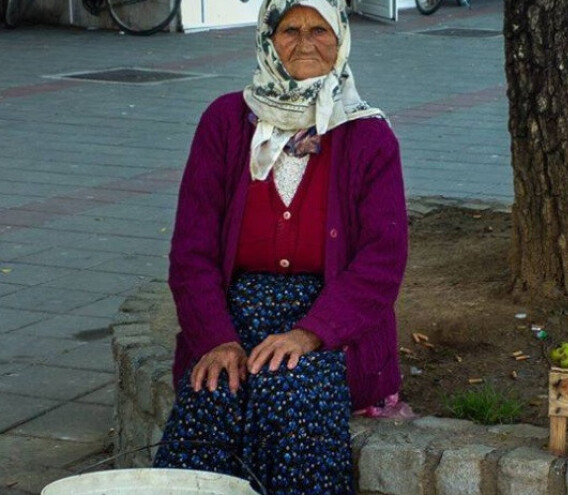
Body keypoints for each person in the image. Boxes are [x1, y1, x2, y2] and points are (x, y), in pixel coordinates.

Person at [153, 0, 407, 492]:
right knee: (213, 391)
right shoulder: (225, 121)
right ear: (268, 39)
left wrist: (311, 333)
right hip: (236, 310)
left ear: (341, 39)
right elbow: (191, 251)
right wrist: (216, 339)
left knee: (292, 391)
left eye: (319, 29)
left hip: (330, 318)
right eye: (290, 29)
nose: (305, 42)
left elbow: (383, 260)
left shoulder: (368, 135)